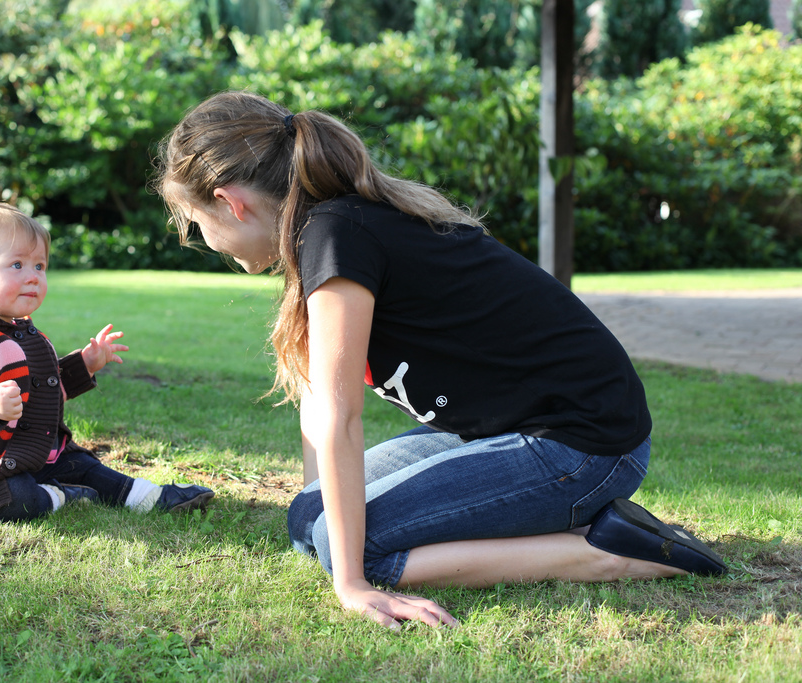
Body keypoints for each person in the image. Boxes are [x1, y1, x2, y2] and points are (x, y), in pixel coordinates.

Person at [154, 91, 727, 629]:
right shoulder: (331, 228)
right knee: (316, 522)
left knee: (345, 544)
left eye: (198, 225)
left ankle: (606, 553)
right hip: (510, 432)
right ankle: (561, 526)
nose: (204, 240)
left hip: (583, 445)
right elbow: (316, 397)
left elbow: (339, 417)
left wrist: (351, 581)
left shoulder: (336, 235)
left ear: (230, 203)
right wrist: (314, 506)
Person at [0, 201, 214, 521]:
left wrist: (85, 364)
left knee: (90, 469)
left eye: (39, 267)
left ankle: (149, 497)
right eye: (17, 265)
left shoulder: (26, 335)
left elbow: (45, 391)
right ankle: (61, 495)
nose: (33, 277)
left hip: (40, 454)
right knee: (15, 500)